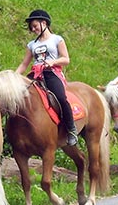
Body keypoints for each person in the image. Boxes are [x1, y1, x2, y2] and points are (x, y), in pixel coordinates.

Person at [15, 9, 79, 146]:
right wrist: (14, 76)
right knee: (19, 96)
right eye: (31, 27)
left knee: (61, 98)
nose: (33, 29)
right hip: (35, 74)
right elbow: (24, 64)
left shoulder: (57, 39)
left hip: (51, 73)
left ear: (44, 23)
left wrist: (53, 62)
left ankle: (71, 129)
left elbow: (66, 59)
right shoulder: (31, 45)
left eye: (35, 26)